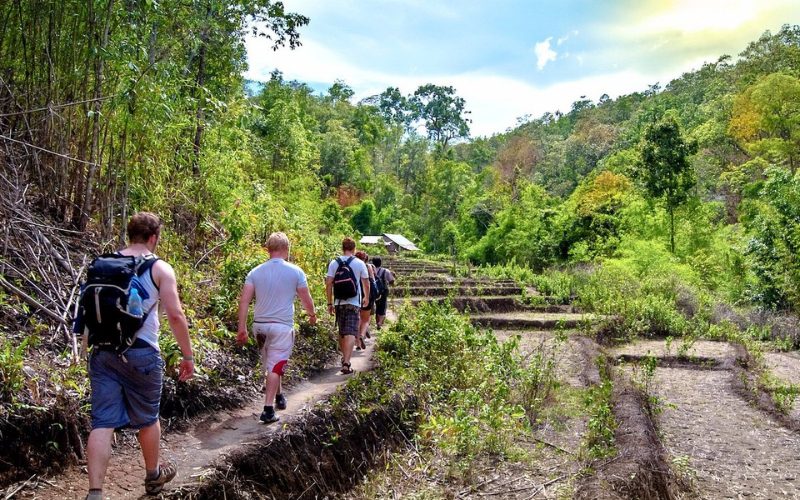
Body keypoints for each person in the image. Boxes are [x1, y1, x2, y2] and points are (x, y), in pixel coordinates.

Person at [83, 212, 194, 499]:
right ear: (154, 237)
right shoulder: (160, 269)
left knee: (103, 422)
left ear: (128, 234)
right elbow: (175, 315)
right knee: (147, 418)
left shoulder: (103, 264)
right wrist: (188, 355)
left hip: (103, 352)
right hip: (142, 353)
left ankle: (95, 491)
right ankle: (152, 476)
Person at [236, 232, 317, 424]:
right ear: (287, 249)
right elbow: (306, 299)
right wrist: (312, 315)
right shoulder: (296, 271)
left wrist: (242, 328)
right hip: (282, 326)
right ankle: (268, 409)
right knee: (276, 365)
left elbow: (244, 301)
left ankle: (279, 396)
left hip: (260, 327)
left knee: (270, 363)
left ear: (268, 249)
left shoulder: (255, 272)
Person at [325, 238, 369, 374]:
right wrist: (366, 297)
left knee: (342, 332)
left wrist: (329, 302)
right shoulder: (359, 263)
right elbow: (365, 282)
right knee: (350, 331)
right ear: (354, 249)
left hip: (339, 302)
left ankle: (344, 357)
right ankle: (346, 362)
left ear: (342, 248)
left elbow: (328, 283)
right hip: (354, 302)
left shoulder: (334, 262)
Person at [355, 251, 377, 348]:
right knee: (365, 319)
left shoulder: (353, 265)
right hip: (366, 294)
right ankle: (362, 335)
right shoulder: (368, 267)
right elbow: (372, 281)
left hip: (355, 294)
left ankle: (358, 343)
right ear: (365, 259)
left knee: (358, 318)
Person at [372, 256, 395, 330]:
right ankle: (379, 323)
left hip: (373, 291)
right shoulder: (386, 271)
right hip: (383, 292)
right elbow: (391, 281)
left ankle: (377, 322)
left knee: (376, 306)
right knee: (382, 307)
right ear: (380, 263)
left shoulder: (370, 270)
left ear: (373, 263)